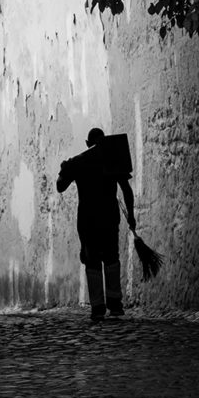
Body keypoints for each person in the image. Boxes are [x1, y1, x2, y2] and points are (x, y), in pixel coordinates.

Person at [57, 127, 136, 323]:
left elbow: (60, 186)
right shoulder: (113, 158)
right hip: (109, 217)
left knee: (92, 261)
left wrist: (64, 168)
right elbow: (126, 189)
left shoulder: (79, 161)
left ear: (87, 143)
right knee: (111, 259)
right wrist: (131, 215)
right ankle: (115, 304)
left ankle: (97, 307)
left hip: (87, 219)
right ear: (105, 140)